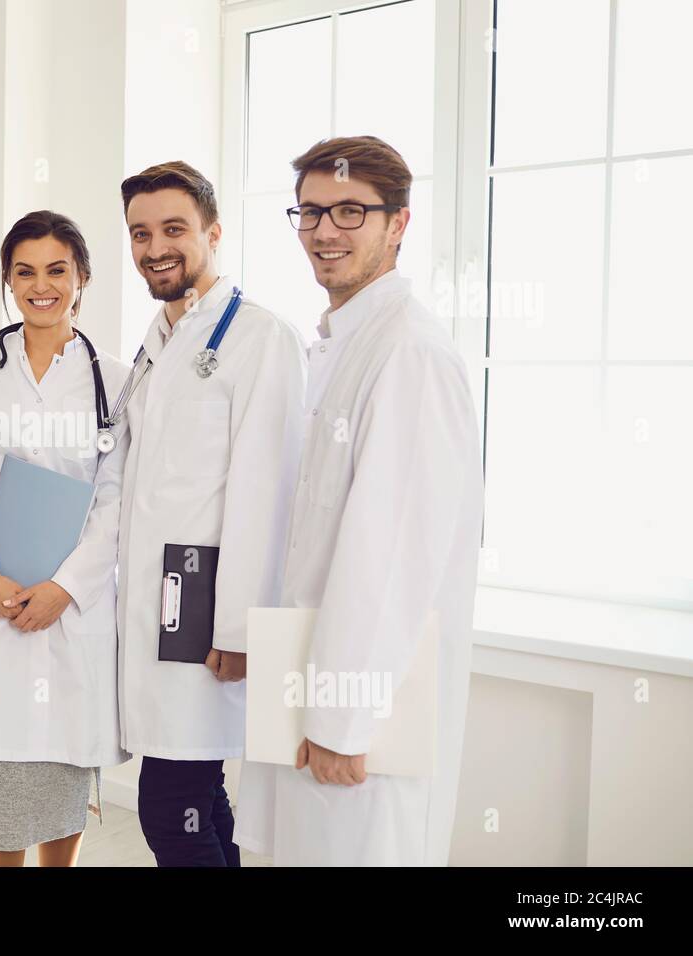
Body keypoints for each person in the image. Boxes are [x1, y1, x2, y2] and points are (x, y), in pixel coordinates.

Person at [235, 135, 484, 866]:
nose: (323, 232)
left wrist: (343, 719)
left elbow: (393, 552)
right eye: (309, 213)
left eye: (349, 211)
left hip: (357, 716)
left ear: (397, 224)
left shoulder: (407, 352)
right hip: (315, 684)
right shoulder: (343, 342)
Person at [115, 161, 307, 866]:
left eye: (174, 229)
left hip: (206, 617)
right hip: (160, 608)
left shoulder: (260, 338)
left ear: (213, 233)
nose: (155, 247)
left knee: (169, 807)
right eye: (140, 233)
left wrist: (240, 628)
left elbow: (269, 490)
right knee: (199, 799)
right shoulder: (161, 340)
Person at [0, 211, 129, 867]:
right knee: (6, 793)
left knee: (66, 780)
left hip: (70, 610)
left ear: (83, 278)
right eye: (25, 272)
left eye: (57, 270)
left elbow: (116, 498)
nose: (41, 286)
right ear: (9, 281)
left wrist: (65, 589)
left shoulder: (115, 381)